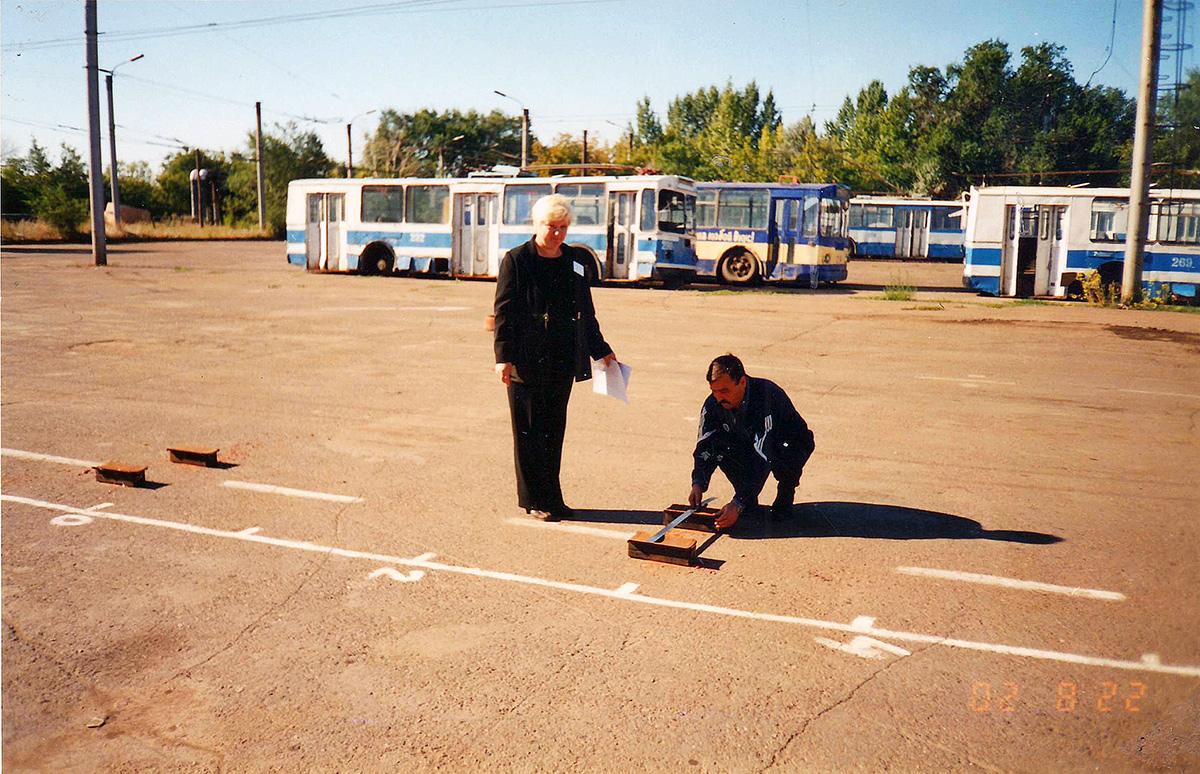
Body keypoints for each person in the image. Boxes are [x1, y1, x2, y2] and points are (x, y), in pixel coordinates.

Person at [494, 194, 618, 521]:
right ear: (537, 225)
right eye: (552, 226)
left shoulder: (574, 259)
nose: (558, 233)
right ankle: (533, 499)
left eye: (563, 227)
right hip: (525, 360)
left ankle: (553, 498)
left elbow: (585, 310)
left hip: (562, 359)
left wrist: (601, 350)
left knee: (552, 431)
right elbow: (504, 312)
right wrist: (503, 358)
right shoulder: (517, 259)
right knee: (528, 432)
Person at [688, 354, 814, 529]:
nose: (718, 397)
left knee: (784, 454)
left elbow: (762, 456)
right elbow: (705, 446)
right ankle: (748, 500)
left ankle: (785, 494)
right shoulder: (712, 404)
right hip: (748, 441)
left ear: (742, 382)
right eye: (714, 391)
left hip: (787, 442)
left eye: (724, 391)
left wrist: (737, 503)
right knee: (721, 447)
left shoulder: (766, 398)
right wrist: (698, 483)